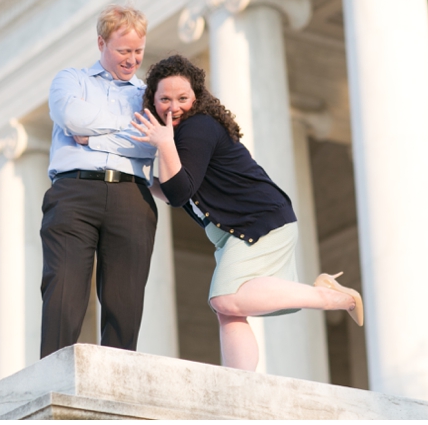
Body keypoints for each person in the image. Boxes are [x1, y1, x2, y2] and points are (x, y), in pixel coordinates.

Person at [130, 54, 363, 370]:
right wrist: (137, 179)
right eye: (165, 99)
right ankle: (241, 385)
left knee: (224, 298)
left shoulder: (197, 127)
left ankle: (327, 296)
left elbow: (178, 191)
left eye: (183, 98)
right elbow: (178, 191)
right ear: (152, 101)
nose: (174, 107)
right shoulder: (183, 134)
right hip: (244, 228)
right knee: (229, 312)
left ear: (196, 97)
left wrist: (164, 144)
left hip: (259, 222)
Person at [39, 4, 158, 358]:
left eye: (138, 51)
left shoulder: (148, 94)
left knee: (126, 299)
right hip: (74, 193)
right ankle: (51, 379)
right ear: (101, 43)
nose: (132, 60)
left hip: (131, 197)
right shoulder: (70, 80)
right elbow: (72, 117)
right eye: (124, 50)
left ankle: (119, 385)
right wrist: (127, 126)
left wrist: (93, 137)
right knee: (63, 289)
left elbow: (152, 145)